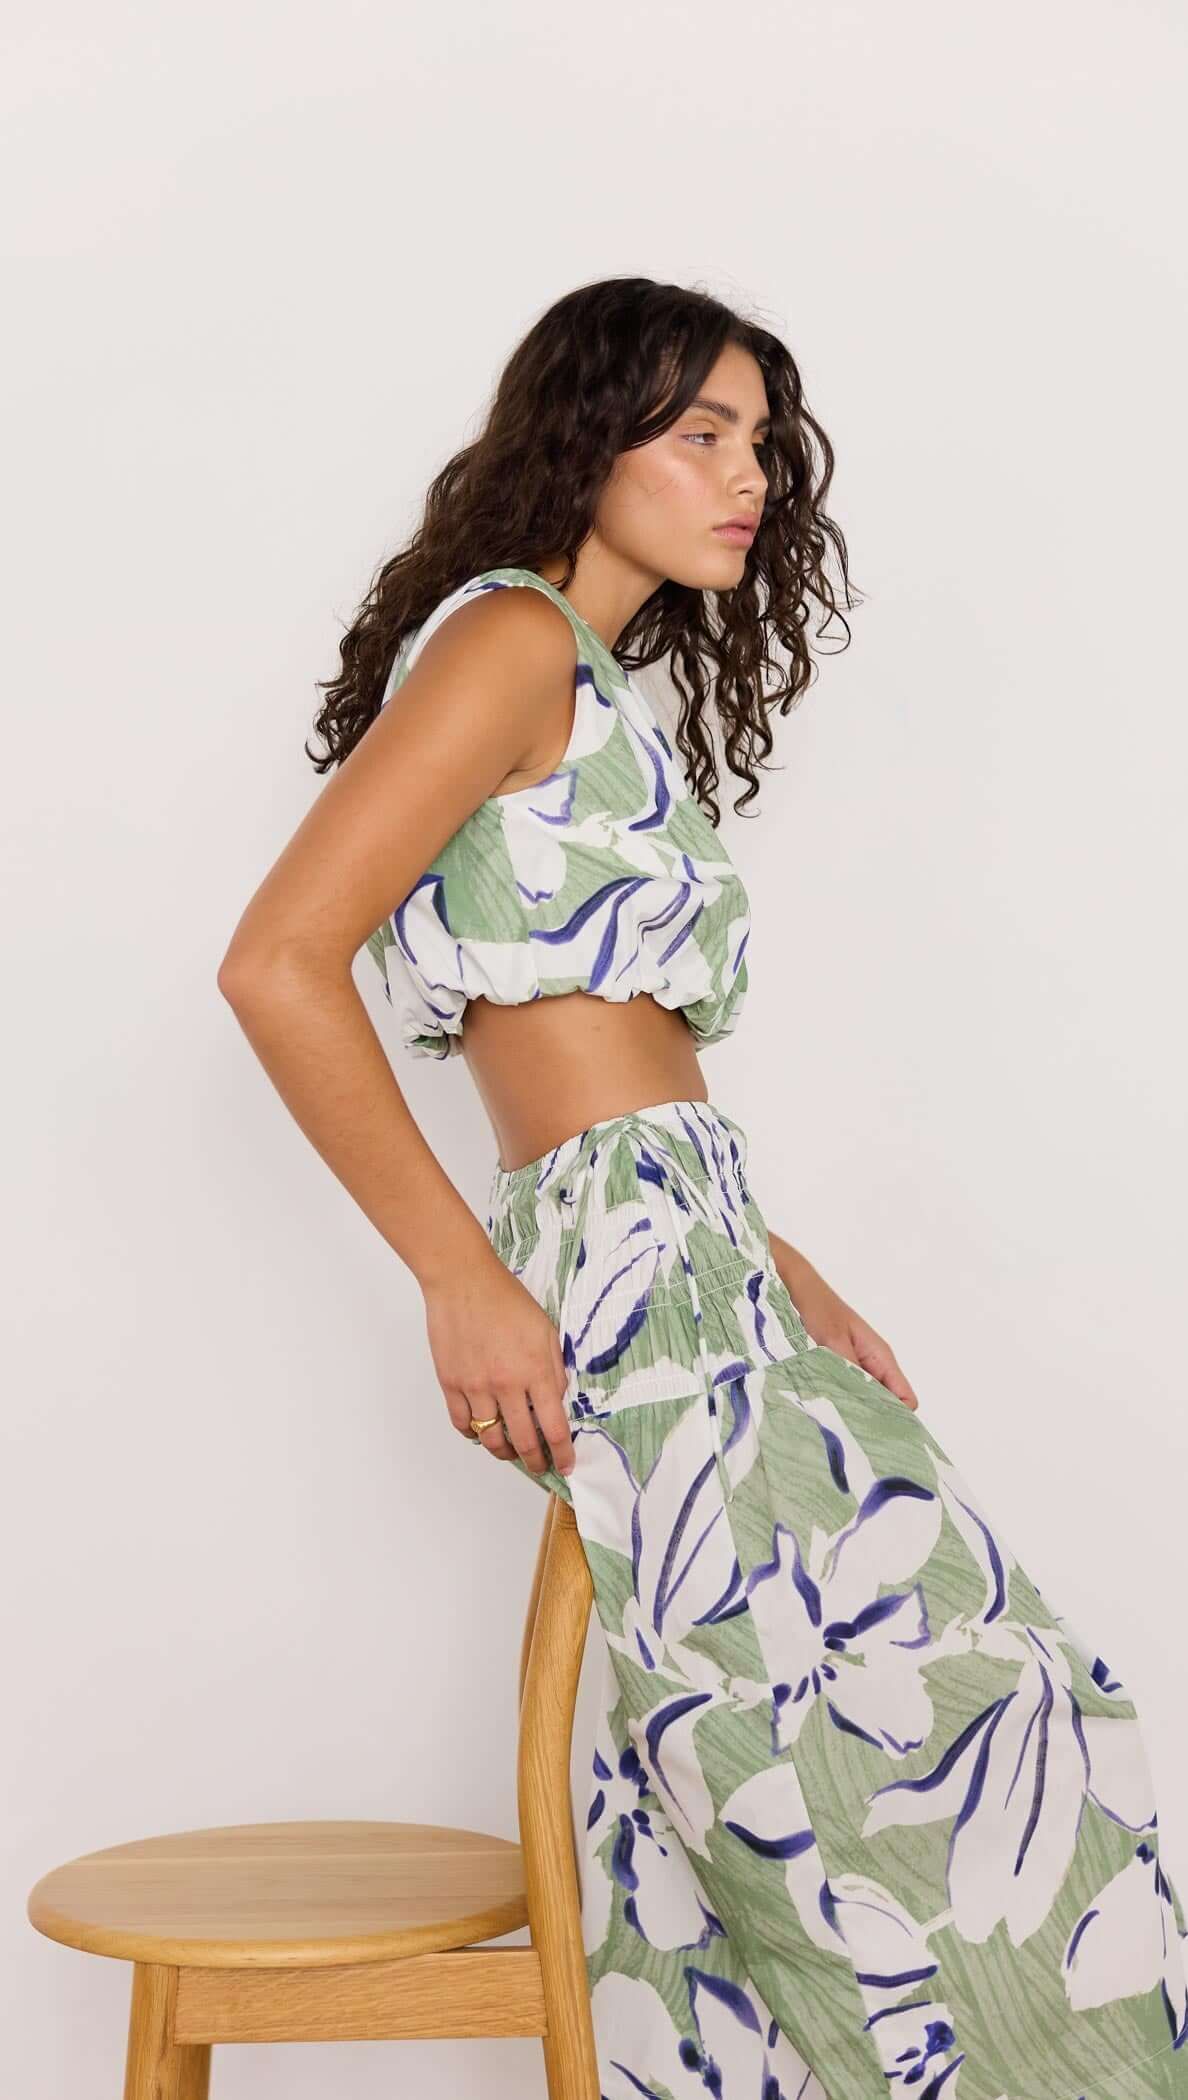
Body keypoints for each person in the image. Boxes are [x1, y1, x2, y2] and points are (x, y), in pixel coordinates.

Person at [218, 276, 1188, 2098]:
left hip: (702, 1254)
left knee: (824, 1777)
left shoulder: (586, 684)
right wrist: (458, 1278)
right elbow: (278, 963)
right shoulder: (505, 642)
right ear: (587, 447)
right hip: (631, 1276)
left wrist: (777, 1254)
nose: (747, 479)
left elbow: (618, 1049)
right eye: (700, 436)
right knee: (945, 1743)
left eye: (760, 442)